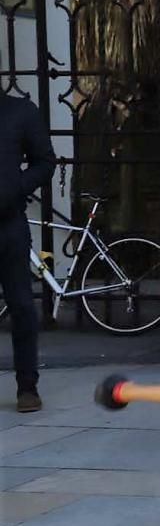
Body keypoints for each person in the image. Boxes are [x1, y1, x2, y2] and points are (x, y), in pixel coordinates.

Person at [0, 94, 55, 413]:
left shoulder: (19, 111)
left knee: (21, 305)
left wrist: (15, 187)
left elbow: (45, 161)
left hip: (8, 225)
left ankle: (27, 387)